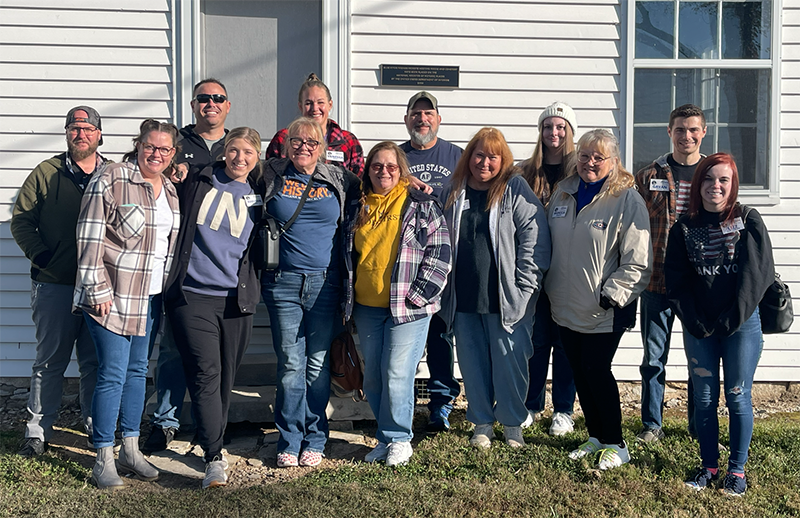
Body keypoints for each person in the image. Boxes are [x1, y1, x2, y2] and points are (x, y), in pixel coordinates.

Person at [74, 119, 181, 489]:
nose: (156, 154)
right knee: (112, 373)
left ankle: (130, 449)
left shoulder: (169, 189)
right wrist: (96, 289)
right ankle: (103, 455)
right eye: (150, 146)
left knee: (138, 372)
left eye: (164, 149)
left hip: (149, 298)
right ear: (138, 146)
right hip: (112, 297)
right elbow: (88, 236)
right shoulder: (112, 177)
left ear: (173, 154)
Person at [665, 153, 774, 496]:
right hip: (700, 328)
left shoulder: (747, 219)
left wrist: (732, 317)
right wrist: (693, 319)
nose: (716, 186)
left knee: (738, 396)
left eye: (723, 180)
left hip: (740, 325)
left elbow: (758, 275)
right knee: (705, 399)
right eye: (709, 179)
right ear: (699, 185)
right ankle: (709, 466)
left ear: (733, 184)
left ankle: (737, 472)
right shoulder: (684, 226)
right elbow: (676, 279)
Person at [546, 129, 651, 470]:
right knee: (578, 370)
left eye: (599, 157)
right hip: (564, 305)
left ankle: (617, 443)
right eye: (585, 156)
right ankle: (595, 436)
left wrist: (614, 294)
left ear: (613, 161)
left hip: (603, 308)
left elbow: (637, 259)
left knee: (597, 370)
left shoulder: (626, 199)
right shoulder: (563, 194)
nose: (590, 163)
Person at [440, 127, 550, 449]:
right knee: (472, 364)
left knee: (510, 361)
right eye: (479, 154)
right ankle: (482, 423)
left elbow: (534, 235)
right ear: (468, 156)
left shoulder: (514, 188)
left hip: (506, 296)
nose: (484, 162)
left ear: (503, 160)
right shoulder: (453, 189)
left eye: (492, 156)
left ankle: (513, 424)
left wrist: (525, 285)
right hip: (464, 296)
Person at [165, 127, 264, 489]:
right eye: (234, 150)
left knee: (225, 376)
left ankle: (212, 439)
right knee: (206, 374)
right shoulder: (198, 180)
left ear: (257, 158)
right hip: (193, 295)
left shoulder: (260, 192)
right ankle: (213, 456)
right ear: (223, 151)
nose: (240, 158)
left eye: (248, 153)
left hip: (236, 300)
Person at [343, 142, 451, 466]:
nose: (384, 171)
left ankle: (400, 439)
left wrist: (419, 296)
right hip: (368, 306)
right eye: (377, 165)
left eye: (391, 166)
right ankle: (386, 436)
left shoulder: (420, 203)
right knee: (374, 376)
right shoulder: (357, 204)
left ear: (402, 170)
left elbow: (440, 252)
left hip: (409, 306)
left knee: (397, 373)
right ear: (368, 169)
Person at [261, 117, 360, 468]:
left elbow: (380, 185)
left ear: (322, 147)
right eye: (297, 141)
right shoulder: (270, 173)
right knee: (290, 364)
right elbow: (232, 168)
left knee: (317, 364)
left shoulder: (338, 177)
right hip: (282, 283)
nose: (304, 147)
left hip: (325, 282)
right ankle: (289, 438)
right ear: (286, 145)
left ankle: (316, 437)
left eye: (311, 142)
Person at [11, 106, 107, 457]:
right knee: (50, 361)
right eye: (74, 128)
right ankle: (38, 431)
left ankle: (97, 423)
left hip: (99, 287)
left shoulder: (112, 173)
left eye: (87, 128)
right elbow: (21, 219)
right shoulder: (46, 172)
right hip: (55, 284)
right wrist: (42, 256)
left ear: (99, 134)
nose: (80, 134)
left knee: (95, 361)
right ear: (67, 134)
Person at [143, 77, 232, 455]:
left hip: (222, 267)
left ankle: (209, 425)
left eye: (218, 98)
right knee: (174, 348)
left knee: (217, 354)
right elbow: (145, 173)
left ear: (228, 105)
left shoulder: (237, 146)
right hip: (177, 260)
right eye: (203, 98)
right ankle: (165, 421)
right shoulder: (176, 144)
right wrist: (168, 173)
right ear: (193, 104)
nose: (210, 103)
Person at [635, 104, 707, 443]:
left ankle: (699, 426)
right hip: (657, 281)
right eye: (680, 129)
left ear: (703, 133)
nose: (686, 136)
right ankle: (652, 425)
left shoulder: (713, 174)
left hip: (699, 286)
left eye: (693, 130)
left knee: (700, 361)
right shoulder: (650, 175)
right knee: (653, 358)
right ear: (669, 132)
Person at [400, 91, 463, 432]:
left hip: (443, 259)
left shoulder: (457, 156)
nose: (422, 119)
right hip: (405, 263)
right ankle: (401, 402)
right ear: (406, 119)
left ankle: (441, 403)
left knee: (440, 335)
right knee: (405, 337)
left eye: (428, 113)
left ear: (439, 119)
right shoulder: (395, 156)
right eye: (416, 113)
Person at [518, 101, 578, 436]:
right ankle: (531, 404)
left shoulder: (580, 173)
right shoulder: (526, 172)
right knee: (537, 339)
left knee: (565, 341)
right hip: (536, 270)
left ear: (570, 132)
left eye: (560, 127)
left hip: (570, 271)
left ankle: (564, 410)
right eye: (547, 127)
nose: (553, 133)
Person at [266, 73, 364, 177]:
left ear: (330, 105)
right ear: (300, 106)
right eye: (308, 103)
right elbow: (269, 176)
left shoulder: (348, 141)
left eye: (320, 102)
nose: (315, 108)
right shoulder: (283, 138)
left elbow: (359, 182)